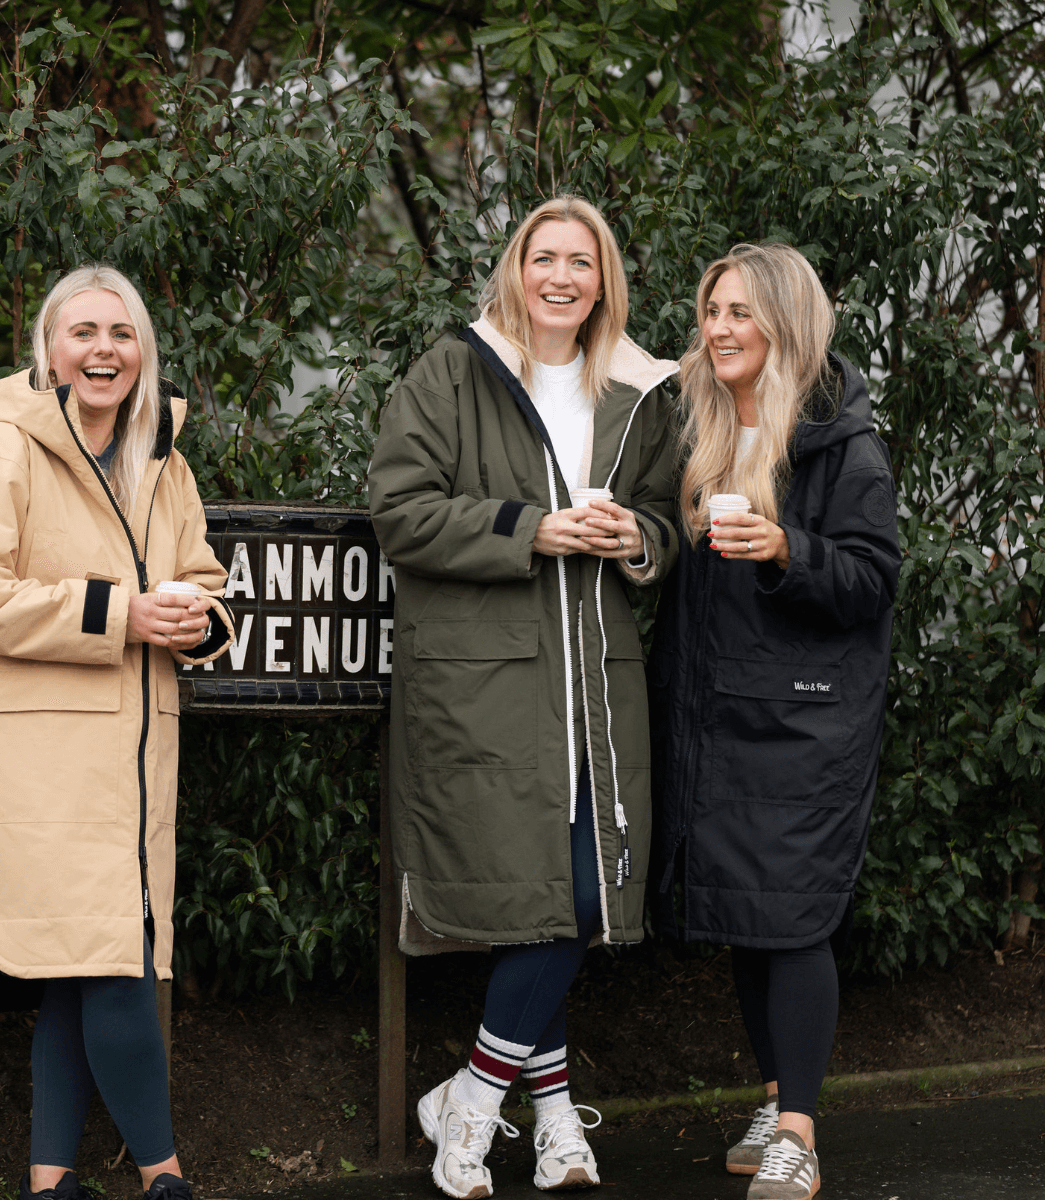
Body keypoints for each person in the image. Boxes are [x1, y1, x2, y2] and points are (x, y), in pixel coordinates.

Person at [369, 195, 680, 1197]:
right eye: (543, 257)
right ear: (516, 267)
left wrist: (635, 538)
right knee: (543, 905)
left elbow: (668, 521)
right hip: (486, 684)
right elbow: (401, 512)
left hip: (598, 683)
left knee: (578, 896)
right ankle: (539, 1116)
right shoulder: (450, 373)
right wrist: (531, 530)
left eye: (580, 262)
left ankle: (478, 1097)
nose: (560, 277)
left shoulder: (640, 388)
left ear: (603, 280)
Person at [0, 264, 235, 1200]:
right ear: (48, 350)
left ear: (143, 353)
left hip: (133, 765)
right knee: (114, 968)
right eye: (84, 333)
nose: (105, 350)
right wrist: (122, 617)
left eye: (123, 333)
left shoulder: (163, 464)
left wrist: (200, 624)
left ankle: (50, 1182)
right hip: (39, 774)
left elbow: (204, 582)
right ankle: (166, 1179)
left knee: (77, 971)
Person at [648, 243, 901, 1200]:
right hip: (715, 718)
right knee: (745, 918)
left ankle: (799, 1130)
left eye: (740, 313)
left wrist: (788, 547)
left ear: (786, 325)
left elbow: (874, 578)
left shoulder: (842, 445)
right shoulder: (704, 428)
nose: (719, 329)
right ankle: (774, 1097)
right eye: (711, 311)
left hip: (805, 728)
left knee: (792, 920)